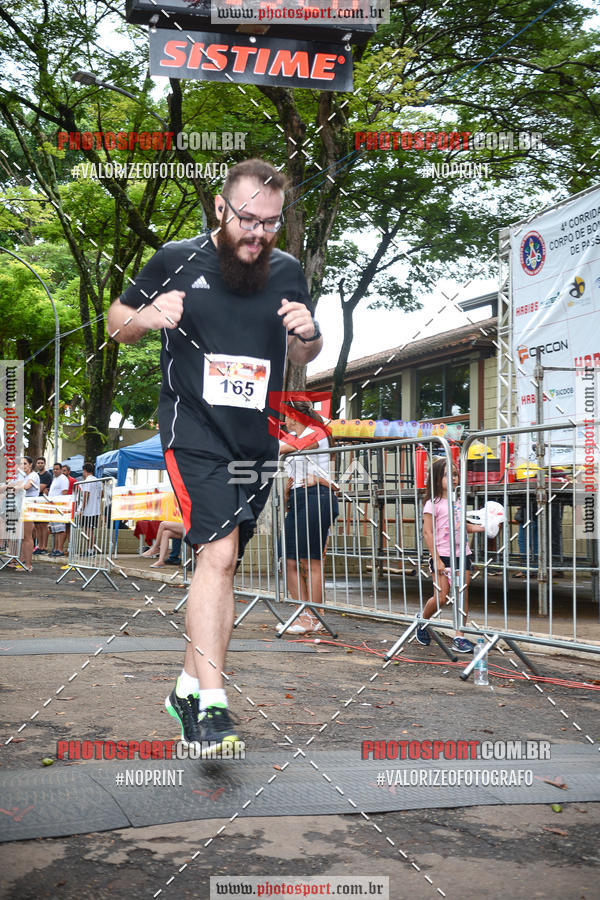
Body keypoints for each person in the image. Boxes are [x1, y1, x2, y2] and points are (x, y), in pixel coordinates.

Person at [107, 158, 322, 753]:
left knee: (217, 569)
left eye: (271, 225)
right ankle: (214, 707)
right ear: (222, 209)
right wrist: (148, 317)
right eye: (248, 220)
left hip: (256, 440)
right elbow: (116, 322)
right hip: (192, 428)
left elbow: (303, 355)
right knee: (220, 553)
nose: (258, 235)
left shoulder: (285, 271)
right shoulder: (176, 259)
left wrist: (308, 333)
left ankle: (184, 688)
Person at [277, 401, 339, 634]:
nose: (285, 420)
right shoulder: (293, 436)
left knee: (309, 560)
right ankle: (303, 613)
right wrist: (287, 490)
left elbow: (281, 448)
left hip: (317, 497)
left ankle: (314, 617)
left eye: (287, 416)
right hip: (298, 498)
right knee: (289, 559)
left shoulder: (316, 433)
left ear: (295, 416)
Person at [418, 458, 486, 653]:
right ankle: (423, 620)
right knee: (441, 597)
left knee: (462, 594)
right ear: (437, 479)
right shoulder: (433, 503)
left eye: (455, 474)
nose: (454, 478)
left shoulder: (457, 502)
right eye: (449, 475)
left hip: (462, 554)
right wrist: (436, 558)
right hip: (443, 555)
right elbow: (427, 532)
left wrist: (484, 528)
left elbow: (462, 526)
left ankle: (459, 636)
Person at [8, 457, 40, 571]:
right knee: (22, 536)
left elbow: (27, 486)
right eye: (21, 464)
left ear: (31, 465)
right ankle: (22, 560)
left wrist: (15, 487)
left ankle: (28, 565)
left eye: (25, 464)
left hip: (29, 507)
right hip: (22, 507)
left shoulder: (33, 475)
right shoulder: (24, 476)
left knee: (27, 536)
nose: (23, 466)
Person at [77, 463, 103, 555]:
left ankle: (90, 550)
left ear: (85, 471)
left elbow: (86, 495)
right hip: (95, 509)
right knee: (90, 530)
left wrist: (81, 509)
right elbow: (102, 494)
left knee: (88, 531)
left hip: (88, 510)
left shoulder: (87, 481)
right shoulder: (98, 481)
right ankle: (90, 549)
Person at [47, 462, 70, 556]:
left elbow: (64, 492)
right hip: (53, 507)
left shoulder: (63, 479)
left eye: (57, 469)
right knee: (55, 529)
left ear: (61, 470)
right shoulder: (55, 479)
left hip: (59, 507)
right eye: (54, 469)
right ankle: (56, 549)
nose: (55, 471)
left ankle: (60, 549)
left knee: (61, 529)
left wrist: (59, 505)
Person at [33, 456, 52, 555]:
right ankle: (39, 546)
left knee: (44, 525)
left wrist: (32, 487)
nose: (40, 464)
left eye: (42, 463)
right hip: (35, 502)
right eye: (38, 463)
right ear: (36, 464)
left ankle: (44, 547)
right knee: (37, 526)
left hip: (44, 502)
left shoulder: (47, 475)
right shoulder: (36, 475)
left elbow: (39, 489)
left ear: (44, 464)